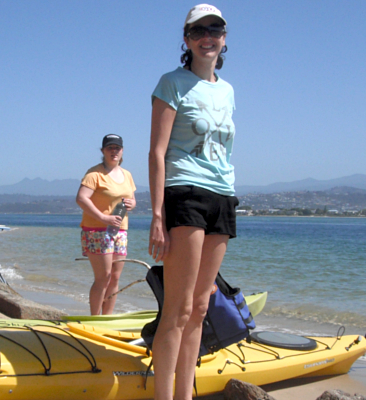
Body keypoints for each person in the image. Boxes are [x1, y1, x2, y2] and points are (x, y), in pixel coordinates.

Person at [147, 4, 239, 399]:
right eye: (198, 31)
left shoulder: (228, 90)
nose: (207, 37)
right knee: (178, 310)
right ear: (186, 40)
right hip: (184, 194)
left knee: (201, 309)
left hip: (222, 197)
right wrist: (156, 215)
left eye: (214, 30)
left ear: (224, 38)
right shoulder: (172, 82)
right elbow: (157, 152)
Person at [75, 134, 137, 315]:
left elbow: (132, 200)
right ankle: (95, 318)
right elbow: (81, 198)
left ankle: (107, 318)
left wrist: (132, 204)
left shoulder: (127, 175)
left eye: (117, 148)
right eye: (110, 148)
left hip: (120, 230)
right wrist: (103, 217)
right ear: (103, 151)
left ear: (122, 151)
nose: (113, 151)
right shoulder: (94, 174)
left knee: (115, 278)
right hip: (97, 230)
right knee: (103, 278)